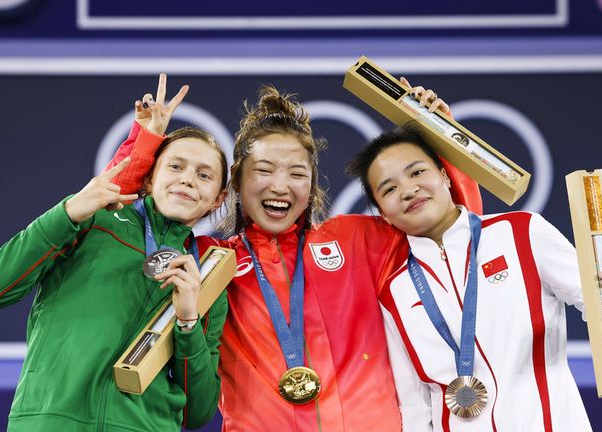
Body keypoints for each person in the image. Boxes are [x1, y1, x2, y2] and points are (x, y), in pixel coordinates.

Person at [107, 78, 482, 430]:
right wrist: (143, 146)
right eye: (264, 170)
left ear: (312, 184)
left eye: (297, 174)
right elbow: (113, 229)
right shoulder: (209, 261)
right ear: (235, 180)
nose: (280, 186)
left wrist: (441, 133)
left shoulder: (359, 240)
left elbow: (456, 232)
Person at [346, 127, 602, 431]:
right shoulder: (394, 291)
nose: (408, 190)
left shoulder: (522, 232)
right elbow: (414, 404)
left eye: (417, 172)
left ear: (445, 176)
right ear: (382, 214)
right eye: (388, 189)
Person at [0, 76, 229, 431]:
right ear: (151, 178)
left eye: (204, 175)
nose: (187, 179)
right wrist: (68, 212)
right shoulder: (93, 223)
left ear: (217, 199)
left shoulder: (205, 278)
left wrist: (187, 322)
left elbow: (198, 412)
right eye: (175, 166)